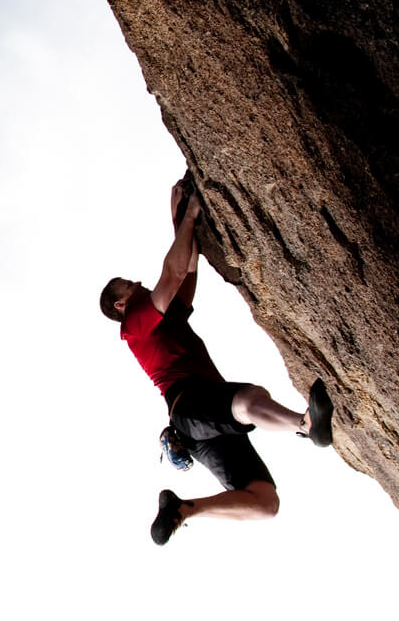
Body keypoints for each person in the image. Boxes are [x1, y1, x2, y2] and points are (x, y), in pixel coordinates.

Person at [99, 177, 335, 545]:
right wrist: (189, 217)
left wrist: (179, 223)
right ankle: (305, 426)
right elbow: (172, 273)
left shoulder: (164, 318)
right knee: (246, 400)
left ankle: (184, 510)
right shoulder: (134, 322)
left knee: (265, 502)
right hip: (189, 404)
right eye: (131, 285)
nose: (140, 284)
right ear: (120, 303)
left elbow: (187, 272)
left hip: (198, 426)